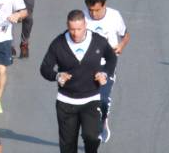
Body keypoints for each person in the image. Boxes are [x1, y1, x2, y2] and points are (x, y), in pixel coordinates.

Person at [40, 10, 118, 153]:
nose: (75, 33)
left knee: (92, 138)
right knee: (67, 146)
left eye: (79, 29)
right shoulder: (58, 44)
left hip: (91, 99)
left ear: (85, 25)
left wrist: (105, 73)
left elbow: (112, 58)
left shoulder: (98, 41)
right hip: (66, 102)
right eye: (72, 29)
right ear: (67, 26)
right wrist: (57, 76)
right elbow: (45, 68)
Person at [84, 0, 130, 142]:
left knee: (103, 98)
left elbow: (125, 35)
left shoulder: (114, 16)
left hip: (107, 64)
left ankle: (103, 119)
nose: (93, 14)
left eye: (97, 10)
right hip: (87, 65)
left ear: (104, 5)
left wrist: (121, 45)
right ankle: (93, 124)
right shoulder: (82, 18)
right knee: (89, 100)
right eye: (90, 10)